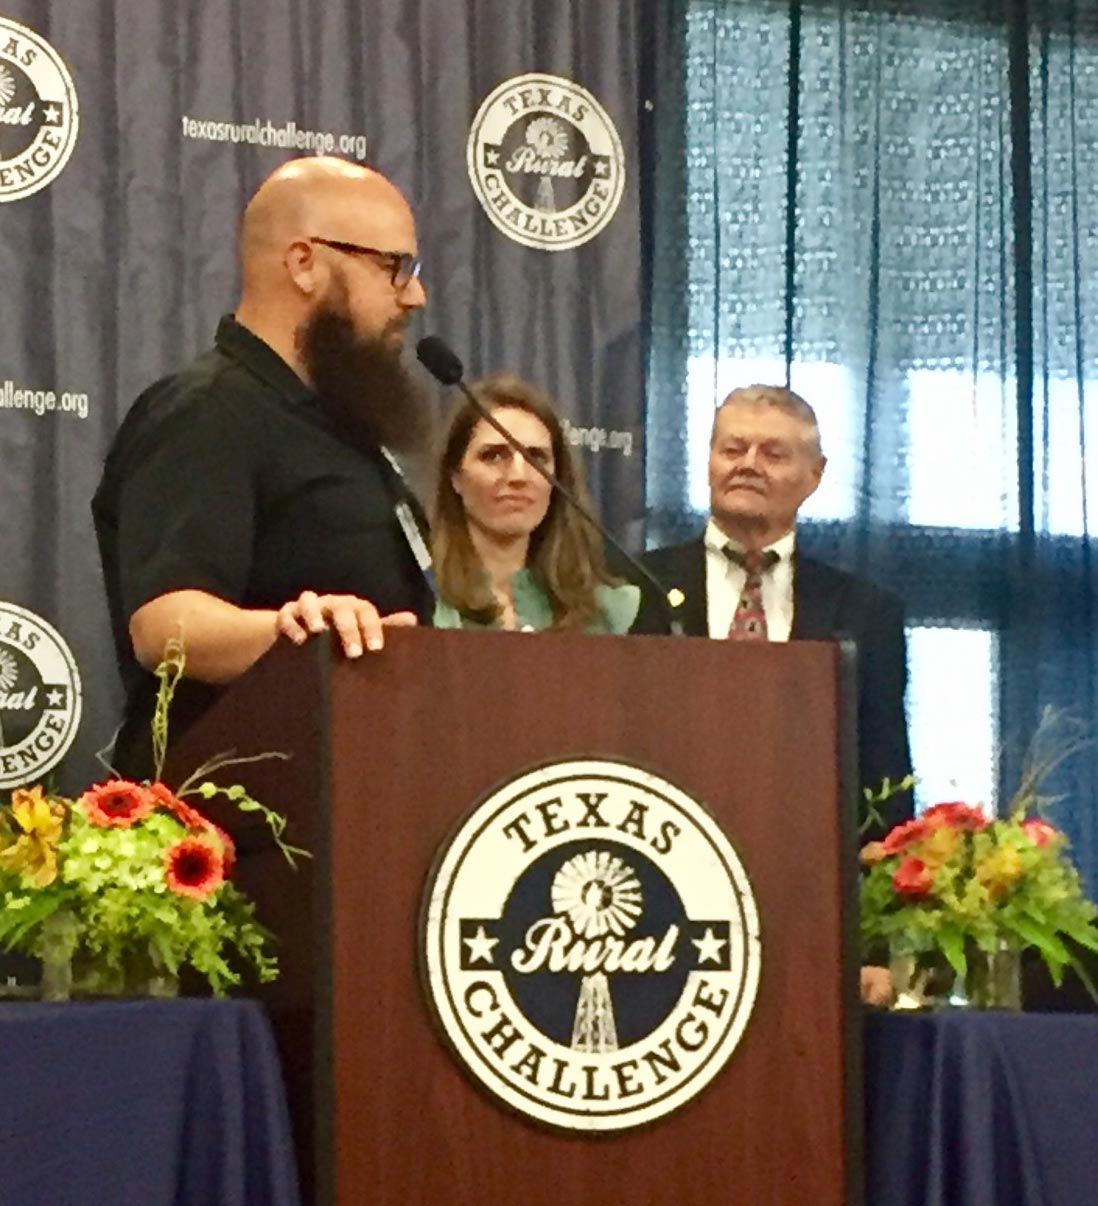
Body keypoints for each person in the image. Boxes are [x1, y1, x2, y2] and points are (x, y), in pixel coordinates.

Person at [93, 157, 435, 775]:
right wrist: (298, 632)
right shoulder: (207, 410)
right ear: (304, 263)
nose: (415, 295)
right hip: (232, 820)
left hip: (360, 790)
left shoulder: (338, 421)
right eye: (394, 268)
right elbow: (166, 625)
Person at [635, 384, 913, 827]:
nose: (748, 465)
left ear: (815, 475)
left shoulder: (866, 613)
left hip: (808, 866)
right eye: (733, 449)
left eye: (773, 454)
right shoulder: (633, 587)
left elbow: (885, 779)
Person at [431, 374, 639, 633]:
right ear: (455, 477)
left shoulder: (610, 613)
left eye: (537, 457)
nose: (519, 476)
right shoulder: (419, 600)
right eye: (494, 456)